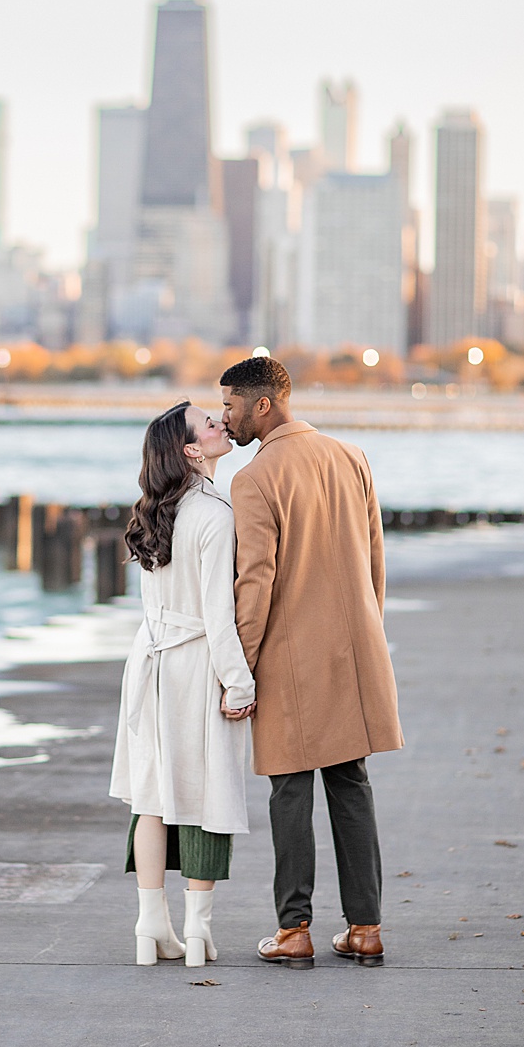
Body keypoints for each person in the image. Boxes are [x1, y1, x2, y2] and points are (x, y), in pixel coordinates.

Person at [219, 355, 403, 969]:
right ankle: (366, 928)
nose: (226, 418)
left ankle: (294, 929)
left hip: (289, 658)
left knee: (290, 790)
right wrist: (366, 633)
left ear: (262, 404)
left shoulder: (254, 478)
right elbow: (375, 561)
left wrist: (238, 668)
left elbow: (255, 582)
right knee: (351, 782)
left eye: (230, 406)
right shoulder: (352, 457)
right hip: (355, 652)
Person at [110, 401, 255, 967]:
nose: (222, 423)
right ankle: (197, 933)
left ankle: (151, 927)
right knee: (202, 797)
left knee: (150, 797)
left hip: (148, 661)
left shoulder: (151, 510)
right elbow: (219, 617)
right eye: (209, 423)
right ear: (192, 450)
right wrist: (239, 684)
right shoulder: (215, 514)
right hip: (195, 664)